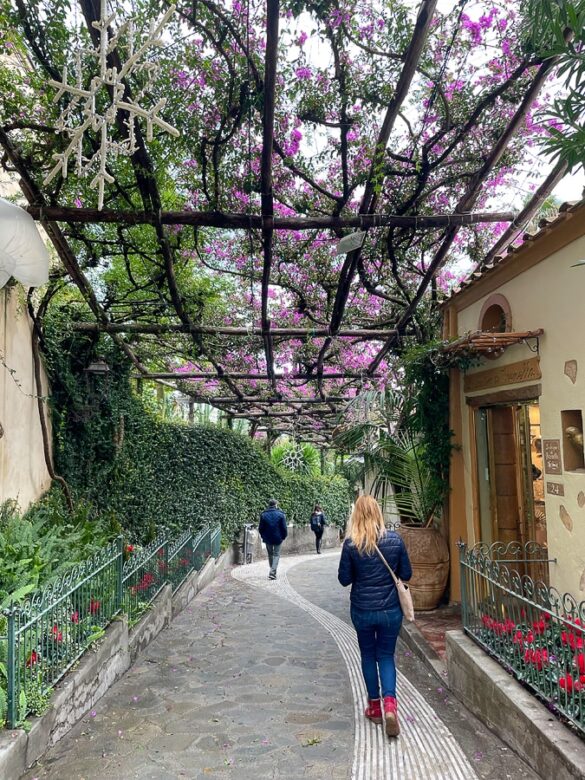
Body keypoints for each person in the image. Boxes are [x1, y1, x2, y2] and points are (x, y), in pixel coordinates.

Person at [338, 495, 412, 737]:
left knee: (369, 655)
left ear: (356, 516)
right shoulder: (395, 540)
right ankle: (390, 704)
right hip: (391, 611)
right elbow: (406, 574)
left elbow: (344, 580)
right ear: (378, 513)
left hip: (362, 610)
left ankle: (374, 708)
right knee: (386, 655)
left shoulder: (351, 544)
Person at [258, 498, 288, 580]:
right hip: (278, 537)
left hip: (267, 537)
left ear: (269, 505)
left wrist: (263, 536)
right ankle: (272, 572)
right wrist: (284, 536)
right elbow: (284, 528)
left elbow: (260, 528)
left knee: (270, 554)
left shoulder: (263, 514)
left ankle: (272, 571)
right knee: (276, 554)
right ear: (276, 505)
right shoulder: (281, 514)